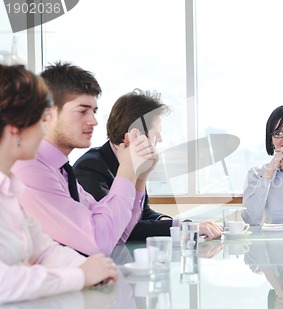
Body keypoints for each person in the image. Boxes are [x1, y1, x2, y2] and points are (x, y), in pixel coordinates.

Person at [0, 64, 117, 304]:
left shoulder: (11, 187)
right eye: (41, 120)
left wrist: (89, 267)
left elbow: (43, 249)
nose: (45, 129)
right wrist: (79, 275)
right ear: (15, 130)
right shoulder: (26, 176)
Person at [12, 62, 153, 256]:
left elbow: (116, 235)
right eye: (82, 110)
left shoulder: (60, 171)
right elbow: (99, 241)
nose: (94, 121)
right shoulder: (31, 171)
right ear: (48, 112)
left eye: (94, 111)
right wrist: (127, 170)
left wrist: (139, 176)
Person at [73, 89, 222, 240]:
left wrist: (167, 221)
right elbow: (119, 227)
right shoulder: (91, 167)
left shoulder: (134, 163)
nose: (160, 139)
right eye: (156, 132)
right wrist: (184, 228)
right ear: (135, 135)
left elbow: (142, 213)